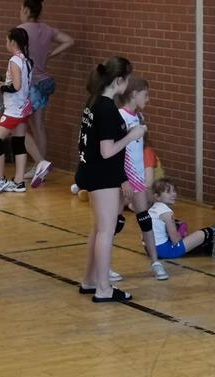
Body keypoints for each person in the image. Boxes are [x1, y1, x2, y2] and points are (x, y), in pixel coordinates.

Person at [75, 57, 144, 303]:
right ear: (118, 80)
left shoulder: (94, 101)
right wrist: (132, 135)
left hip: (93, 171)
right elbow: (107, 151)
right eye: (127, 78)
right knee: (106, 230)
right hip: (101, 175)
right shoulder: (106, 109)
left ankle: (90, 280)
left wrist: (122, 178)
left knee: (98, 228)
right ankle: (103, 288)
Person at [18, 0, 73, 187]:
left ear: (26, 10)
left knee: (19, 125)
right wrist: (50, 54)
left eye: (21, 9)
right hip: (44, 82)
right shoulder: (48, 29)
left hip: (30, 83)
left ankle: (40, 163)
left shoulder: (21, 30)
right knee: (39, 126)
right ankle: (39, 165)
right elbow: (69, 40)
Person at [117, 77, 166, 280]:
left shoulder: (138, 117)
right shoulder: (119, 117)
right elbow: (116, 151)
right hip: (121, 179)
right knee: (114, 223)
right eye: (146, 95)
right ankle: (103, 266)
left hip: (137, 178)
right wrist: (123, 180)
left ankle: (155, 262)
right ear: (134, 94)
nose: (148, 99)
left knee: (145, 220)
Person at [0, 28, 33, 194]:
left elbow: (17, 86)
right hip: (23, 106)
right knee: (18, 142)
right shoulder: (26, 60)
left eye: (7, 40)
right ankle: (19, 182)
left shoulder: (14, 60)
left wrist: (1, 88)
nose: (5, 43)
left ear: (13, 42)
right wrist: (6, 85)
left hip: (14, 108)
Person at [148, 178, 215, 259]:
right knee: (210, 231)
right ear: (157, 196)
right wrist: (182, 229)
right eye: (168, 192)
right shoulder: (166, 212)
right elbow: (175, 240)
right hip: (167, 251)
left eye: (174, 191)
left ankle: (202, 248)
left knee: (181, 230)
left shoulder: (152, 209)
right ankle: (213, 248)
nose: (173, 194)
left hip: (151, 250)